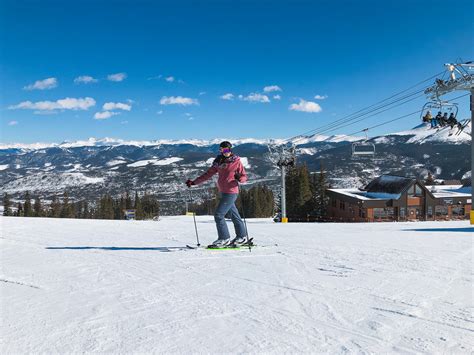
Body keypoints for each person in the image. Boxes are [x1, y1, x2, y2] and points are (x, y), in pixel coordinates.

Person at [185, 141, 248, 247]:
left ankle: (224, 239)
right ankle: (242, 237)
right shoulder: (218, 162)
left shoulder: (236, 161)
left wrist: (239, 178)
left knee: (219, 215)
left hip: (232, 191)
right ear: (220, 150)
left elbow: (244, 177)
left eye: (227, 150)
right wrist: (194, 182)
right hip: (223, 191)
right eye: (223, 150)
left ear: (230, 149)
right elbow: (208, 174)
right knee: (234, 215)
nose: (225, 152)